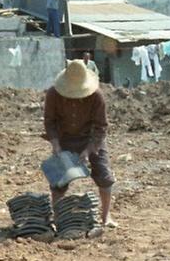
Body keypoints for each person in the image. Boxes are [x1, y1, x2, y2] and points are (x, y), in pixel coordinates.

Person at [43, 60, 116, 227]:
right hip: (64, 138)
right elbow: (50, 121)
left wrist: (89, 150)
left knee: (104, 176)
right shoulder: (54, 94)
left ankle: (106, 216)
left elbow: (101, 126)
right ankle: (59, 216)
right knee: (58, 181)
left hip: (91, 137)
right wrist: (55, 144)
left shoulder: (97, 96)